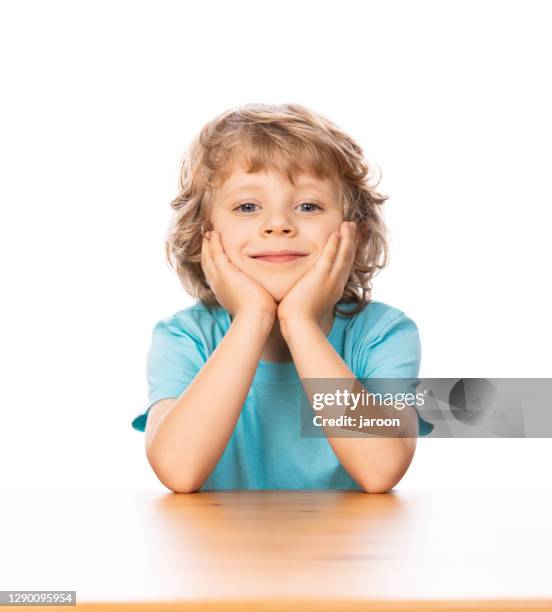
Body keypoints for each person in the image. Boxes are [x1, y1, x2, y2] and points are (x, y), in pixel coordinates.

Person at [131, 102, 434, 493]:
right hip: (221, 553)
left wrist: (299, 323)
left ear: (352, 233)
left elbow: (381, 469)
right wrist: (253, 317)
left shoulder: (381, 334)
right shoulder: (185, 338)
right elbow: (178, 471)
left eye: (308, 206)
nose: (277, 225)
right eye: (247, 207)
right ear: (204, 235)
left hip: (345, 552)